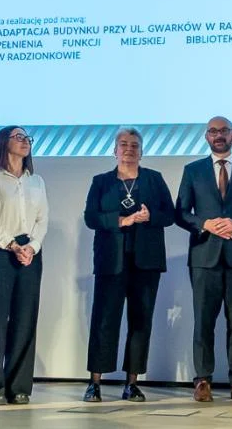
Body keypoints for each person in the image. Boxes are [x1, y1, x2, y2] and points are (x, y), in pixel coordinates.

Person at [176, 116, 232, 402]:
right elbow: (181, 213)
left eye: (224, 131)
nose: (219, 135)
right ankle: (202, 380)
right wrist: (204, 224)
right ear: (206, 137)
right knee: (203, 321)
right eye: (213, 131)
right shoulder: (192, 171)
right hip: (204, 257)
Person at [82, 128, 175, 403]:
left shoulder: (154, 179)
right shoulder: (101, 181)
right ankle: (95, 383)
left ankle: (132, 383)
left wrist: (150, 217)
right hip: (111, 261)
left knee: (140, 321)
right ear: (115, 150)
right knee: (104, 321)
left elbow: (170, 214)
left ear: (141, 152)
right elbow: (91, 217)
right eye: (123, 144)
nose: (129, 149)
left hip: (146, 262)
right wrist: (120, 221)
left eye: (134, 145)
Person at [0, 126, 48, 405]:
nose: (25, 141)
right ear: (3, 143)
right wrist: (12, 245)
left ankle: (18, 386)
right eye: (18, 137)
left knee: (25, 319)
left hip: (29, 252)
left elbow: (42, 219)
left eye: (27, 138)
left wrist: (32, 247)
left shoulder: (37, 181)